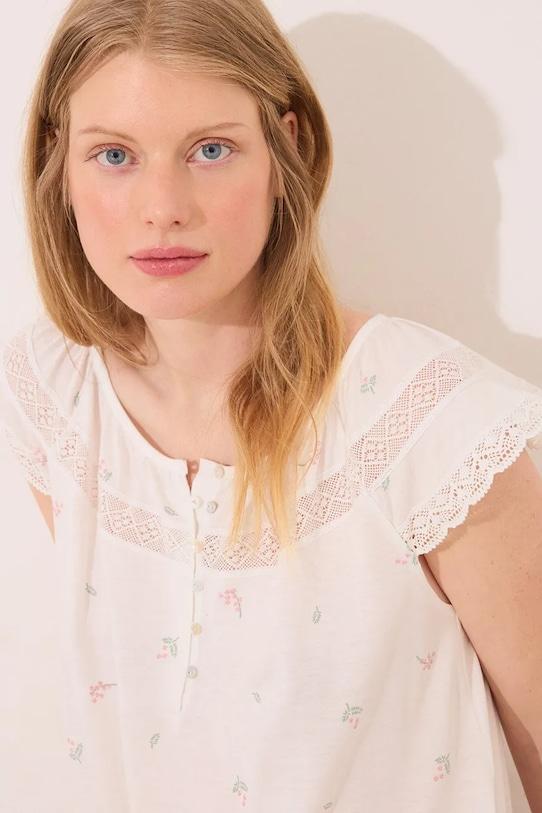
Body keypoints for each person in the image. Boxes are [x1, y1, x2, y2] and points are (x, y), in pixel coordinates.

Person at [1, 1, 542, 810]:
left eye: (210, 149)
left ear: (284, 147)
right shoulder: (55, 394)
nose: (163, 206)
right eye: (114, 155)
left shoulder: (427, 423)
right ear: (57, 163)